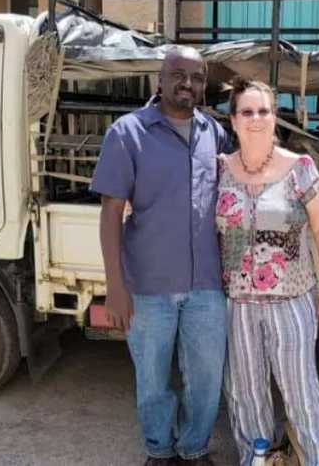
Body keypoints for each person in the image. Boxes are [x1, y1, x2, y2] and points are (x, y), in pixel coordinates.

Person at [92, 47, 229, 466]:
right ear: (160, 80)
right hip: (148, 285)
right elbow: (111, 213)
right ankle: (159, 451)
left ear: (205, 84)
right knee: (152, 381)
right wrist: (115, 288)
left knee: (206, 380)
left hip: (206, 284)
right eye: (178, 74)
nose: (187, 83)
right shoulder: (127, 132)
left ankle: (194, 449)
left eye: (197, 76)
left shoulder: (215, 133)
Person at [215, 77, 319, 466]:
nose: (256, 118)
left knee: (300, 391)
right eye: (247, 111)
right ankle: (259, 460)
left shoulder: (299, 167)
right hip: (238, 305)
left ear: (274, 117)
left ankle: (317, 460)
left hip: (291, 301)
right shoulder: (219, 169)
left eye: (263, 111)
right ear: (233, 121)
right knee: (245, 393)